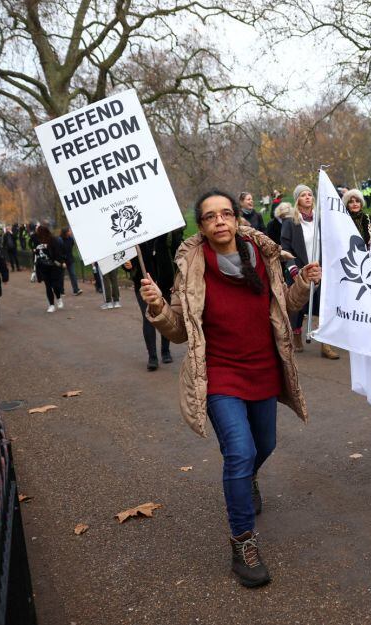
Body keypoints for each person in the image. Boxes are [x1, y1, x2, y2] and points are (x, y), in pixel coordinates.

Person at [139, 190, 322, 588]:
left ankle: (247, 478)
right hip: (220, 373)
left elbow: (284, 305)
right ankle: (243, 542)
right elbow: (177, 332)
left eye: (226, 214)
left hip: (264, 369)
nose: (220, 221)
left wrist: (305, 285)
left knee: (264, 446)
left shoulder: (263, 254)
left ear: (238, 219)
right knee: (239, 451)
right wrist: (156, 307)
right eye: (210, 216)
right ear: (201, 226)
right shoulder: (191, 267)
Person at [280, 184, 339, 359]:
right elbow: (286, 247)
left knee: (324, 306)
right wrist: (293, 269)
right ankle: (297, 335)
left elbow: (329, 244)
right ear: (297, 199)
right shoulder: (290, 222)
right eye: (303, 195)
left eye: (310, 194)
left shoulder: (321, 220)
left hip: (320, 270)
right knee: (299, 307)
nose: (307, 197)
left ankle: (325, 344)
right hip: (300, 270)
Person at [126, 229, 183, 371]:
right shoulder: (134, 236)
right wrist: (127, 265)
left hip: (165, 282)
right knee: (148, 317)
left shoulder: (165, 231)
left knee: (166, 313)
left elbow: (178, 249)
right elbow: (129, 261)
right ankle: (152, 357)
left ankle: (165, 351)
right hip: (144, 284)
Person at [32, 224, 66, 312]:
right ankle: (51, 305)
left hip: (53, 266)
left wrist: (61, 262)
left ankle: (59, 299)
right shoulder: (37, 240)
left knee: (55, 285)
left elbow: (57, 253)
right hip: (43, 267)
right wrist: (35, 252)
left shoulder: (52, 240)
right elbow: (36, 253)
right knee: (48, 286)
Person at [59, 226, 82, 295]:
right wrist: (62, 262)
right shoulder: (60, 240)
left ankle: (76, 290)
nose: (70, 232)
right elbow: (58, 252)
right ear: (66, 233)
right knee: (61, 276)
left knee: (73, 274)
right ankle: (61, 291)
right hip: (62, 261)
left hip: (70, 260)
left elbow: (71, 247)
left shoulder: (71, 239)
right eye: (69, 231)